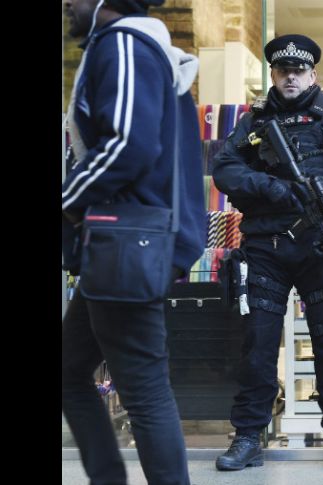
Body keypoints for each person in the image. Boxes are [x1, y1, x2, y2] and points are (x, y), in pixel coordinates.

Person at [61, 0, 207, 484]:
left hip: (125, 244)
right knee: (70, 372)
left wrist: (68, 198)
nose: (68, 5)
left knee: (144, 391)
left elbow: (128, 143)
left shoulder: (125, 44)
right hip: (124, 243)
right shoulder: (141, 48)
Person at [212, 34, 323, 472]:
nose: (291, 78)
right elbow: (224, 169)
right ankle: (248, 436)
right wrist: (271, 187)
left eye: (298, 71)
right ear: (274, 75)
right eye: (283, 71)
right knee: (258, 345)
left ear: (313, 75)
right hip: (266, 248)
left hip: (319, 249)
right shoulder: (254, 122)